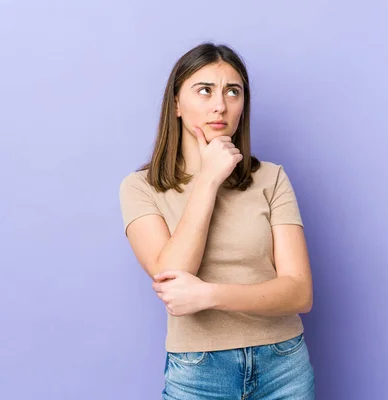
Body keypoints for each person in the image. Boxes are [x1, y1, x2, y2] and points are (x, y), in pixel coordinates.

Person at [119, 42, 315, 399]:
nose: (220, 105)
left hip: (284, 365)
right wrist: (208, 179)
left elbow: (300, 293)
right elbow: (172, 275)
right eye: (205, 90)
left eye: (233, 92)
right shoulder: (140, 188)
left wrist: (208, 295)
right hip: (198, 372)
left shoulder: (270, 178)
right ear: (176, 103)